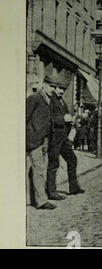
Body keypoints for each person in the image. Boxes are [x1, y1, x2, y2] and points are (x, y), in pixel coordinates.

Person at [46, 81, 85, 200]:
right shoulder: (51, 101)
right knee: (53, 164)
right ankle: (51, 192)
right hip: (55, 138)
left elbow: (66, 115)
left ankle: (74, 188)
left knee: (72, 160)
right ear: (54, 88)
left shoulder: (62, 101)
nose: (61, 91)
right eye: (59, 88)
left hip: (64, 138)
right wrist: (63, 118)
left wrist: (72, 121)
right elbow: (49, 117)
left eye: (63, 88)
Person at [26, 76, 57, 210]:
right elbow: (24, 117)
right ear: (44, 85)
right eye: (51, 86)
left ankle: (33, 199)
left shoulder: (48, 100)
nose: (53, 90)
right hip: (33, 139)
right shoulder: (34, 97)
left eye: (55, 87)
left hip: (43, 140)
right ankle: (41, 201)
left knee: (38, 169)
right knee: (38, 169)